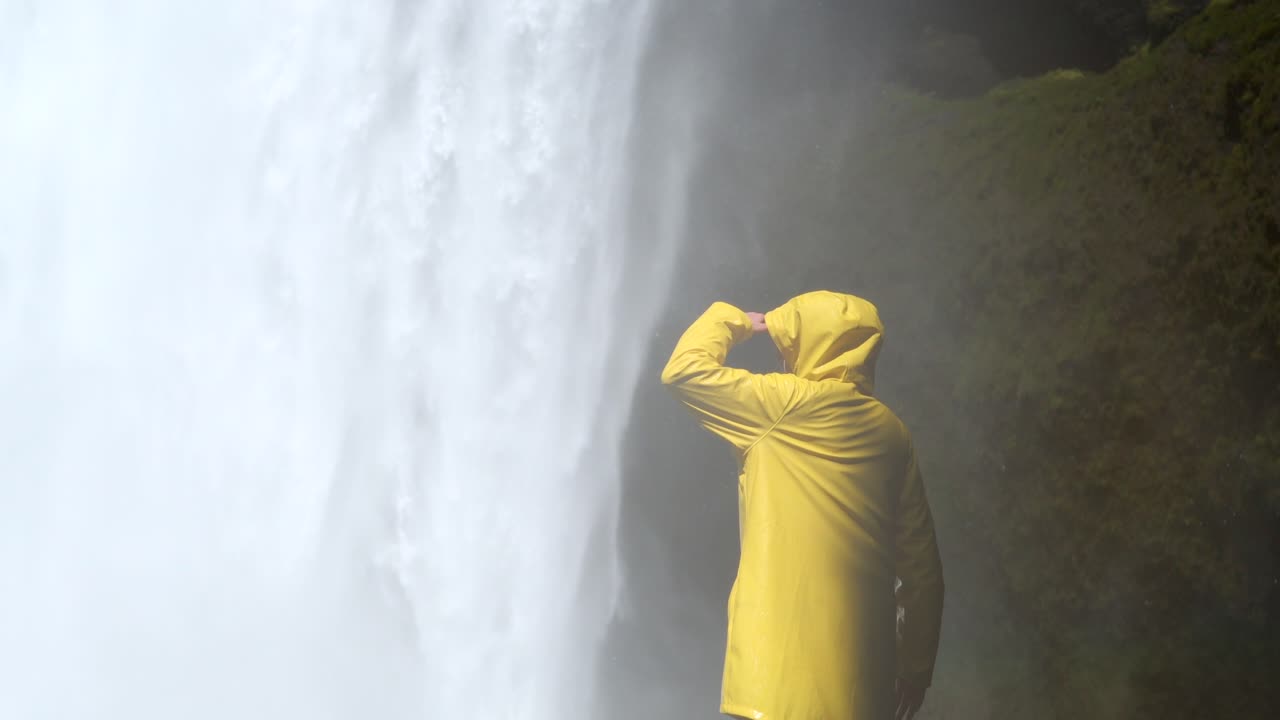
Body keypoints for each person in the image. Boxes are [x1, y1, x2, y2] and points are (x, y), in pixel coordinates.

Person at [660, 291, 944, 720]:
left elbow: (682, 372)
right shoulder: (892, 435)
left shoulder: (779, 405)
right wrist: (915, 667)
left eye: (787, 347)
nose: (782, 359)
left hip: (769, 688)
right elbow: (923, 574)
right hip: (861, 697)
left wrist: (735, 321)